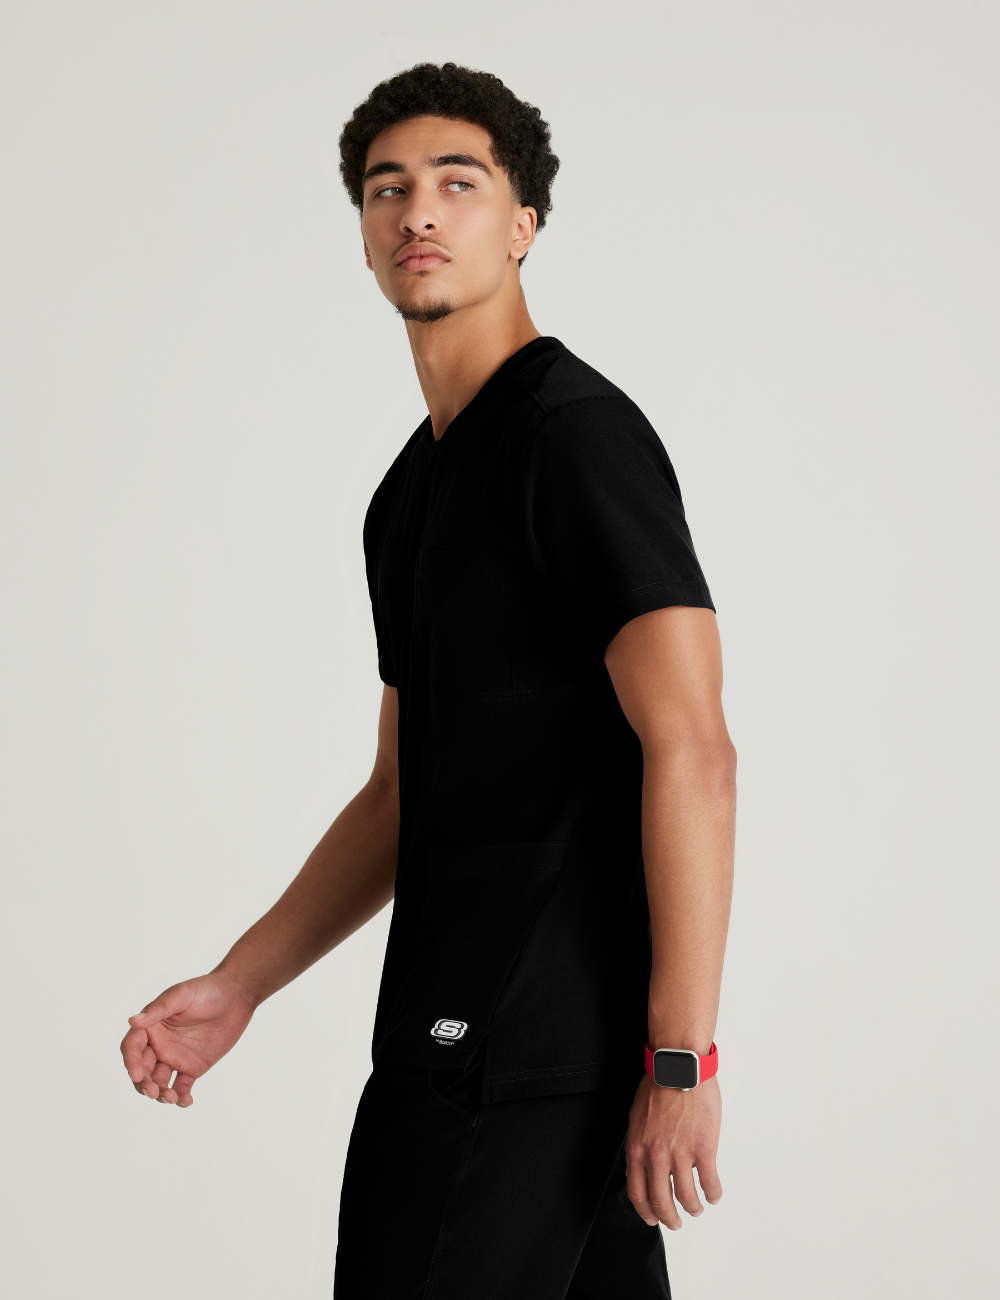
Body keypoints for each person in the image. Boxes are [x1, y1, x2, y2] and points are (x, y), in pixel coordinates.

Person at [120, 62, 737, 1299]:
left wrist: (682, 1061)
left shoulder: (574, 438)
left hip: (521, 1051)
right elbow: (402, 789)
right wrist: (241, 983)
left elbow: (693, 748)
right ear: (361, 234)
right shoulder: (409, 493)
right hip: (458, 1031)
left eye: (458, 183)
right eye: (386, 188)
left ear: (522, 224)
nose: (417, 212)